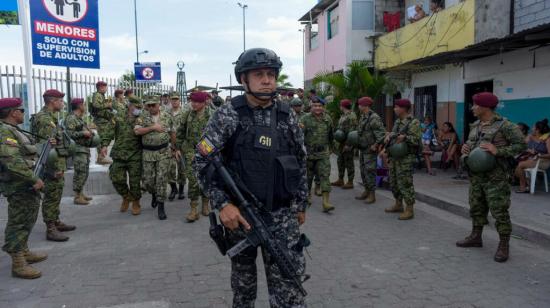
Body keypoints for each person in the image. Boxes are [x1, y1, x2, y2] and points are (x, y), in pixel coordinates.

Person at [193, 48, 308, 307]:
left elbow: (300, 162)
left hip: (282, 217)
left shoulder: (287, 114)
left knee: (290, 292)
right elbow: (201, 160)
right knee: (243, 292)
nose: (267, 80)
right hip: (242, 218)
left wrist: (300, 204)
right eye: (259, 74)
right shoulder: (228, 114)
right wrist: (223, 204)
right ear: (244, 80)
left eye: (271, 74)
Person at [456, 92, 525, 263]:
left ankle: (503, 245)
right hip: (476, 176)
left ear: (485, 107)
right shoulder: (476, 125)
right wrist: (466, 148)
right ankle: (476, 236)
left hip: (496, 178)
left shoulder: (505, 126)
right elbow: (473, 144)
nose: (472, 108)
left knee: (499, 211)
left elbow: (521, 145)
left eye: (475, 105)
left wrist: (498, 151)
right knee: (476, 207)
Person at [0, 98, 48, 279]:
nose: (23, 112)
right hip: (18, 184)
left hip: (24, 184)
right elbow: (11, 161)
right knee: (18, 221)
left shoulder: (13, 130)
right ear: (13, 112)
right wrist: (33, 178)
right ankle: (18, 262)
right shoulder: (4, 131)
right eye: (21, 109)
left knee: (28, 218)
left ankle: (24, 250)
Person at [31, 89, 76, 241]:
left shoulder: (51, 118)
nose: (63, 104)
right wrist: (54, 169)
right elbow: (46, 148)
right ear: (53, 102)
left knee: (56, 194)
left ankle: (55, 221)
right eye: (61, 101)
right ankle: (50, 228)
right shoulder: (44, 119)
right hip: (51, 165)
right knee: (51, 196)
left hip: (57, 163)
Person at [134, 97, 174, 220]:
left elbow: (173, 132)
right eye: (149, 105)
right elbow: (137, 131)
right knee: (148, 181)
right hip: (148, 153)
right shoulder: (142, 117)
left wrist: (174, 148)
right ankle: (153, 194)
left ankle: (161, 206)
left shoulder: (167, 116)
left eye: (153, 105)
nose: (151, 107)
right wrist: (153, 127)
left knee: (161, 179)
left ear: (159, 104)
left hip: (163, 152)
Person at [176, 91, 211, 222]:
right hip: (190, 149)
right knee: (193, 179)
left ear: (203, 102)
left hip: (207, 151)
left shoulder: (211, 115)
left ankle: (206, 203)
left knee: (206, 179)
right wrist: (177, 148)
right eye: (192, 101)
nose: (194, 104)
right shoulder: (188, 114)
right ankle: (194, 208)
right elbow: (180, 131)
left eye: (196, 102)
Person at [384, 98, 421, 220]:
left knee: (405, 183)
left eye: (396, 107)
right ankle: (398, 204)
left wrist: (405, 137)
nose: (394, 109)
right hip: (395, 156)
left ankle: (409, 209)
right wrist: (389, 136)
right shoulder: (398, 122)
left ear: (403, 108)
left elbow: (416, 140)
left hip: (405, 157)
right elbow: (395, 136)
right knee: (394, 182)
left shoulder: (413, 122)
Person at [300, 96, 335, 213]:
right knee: (308, 177)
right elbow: (299, 136)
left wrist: (332, 148)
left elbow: (331, 135)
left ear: (323, 107)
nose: (317, 108)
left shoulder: (328, 119)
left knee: (325, 176)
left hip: (323, 153)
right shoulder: (305, 119)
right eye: (315, 106)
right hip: (309, 153)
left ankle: (325, 202)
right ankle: (308, 195)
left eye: (320, 106)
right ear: (311, 106)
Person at [110, 97, 143, 215]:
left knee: (135, 181)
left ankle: (136, 202)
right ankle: (126, 196)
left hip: (135, 154)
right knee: (116, 178)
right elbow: (110, 131)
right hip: (119, 153)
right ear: (130, 106)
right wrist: (103, 145)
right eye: (137, 107)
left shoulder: (142, 119)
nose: (139, 110)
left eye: (140, 108)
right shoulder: (119, 117)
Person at [355, 97, 386, 204]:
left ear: (365, 106)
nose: (358, 106)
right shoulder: (363, 116)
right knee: (363, 171)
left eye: (360, 104)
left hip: (370, 149)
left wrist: (376, 144)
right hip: (363, 148)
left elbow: (381, 134)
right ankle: (366, 190)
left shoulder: (374, 118)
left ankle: (372, 194)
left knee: (370, 172)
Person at [64, 98, 94, 205]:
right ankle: (77, 197)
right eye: (84, 104)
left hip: (84, 149)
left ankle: (81, 193)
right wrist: (83, 133)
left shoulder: (79, 119)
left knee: (84, 172)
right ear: (79, 106)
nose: (85, 106)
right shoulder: (71, 118)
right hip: (78, 149)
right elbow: (69, 134)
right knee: (80, 172)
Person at [515, 119, 550, 193]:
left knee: (520, 165)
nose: (532, 128)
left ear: (538, 130)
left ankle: (524, 186)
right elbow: (522, 145)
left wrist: (538, 154)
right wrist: (528, 149)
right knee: (517, 169)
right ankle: (527, 184)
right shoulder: (531, 136)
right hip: (532, 158)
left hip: (543, 161)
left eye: (534, 127)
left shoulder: (547, 139)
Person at [332, 99, 357, 189]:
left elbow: (352, 131)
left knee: (349, 162)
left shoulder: (351, 116)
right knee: (340, 161)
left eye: (340, 105)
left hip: (348, 142)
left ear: (343, 106)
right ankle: (340, 179)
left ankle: (350, 181)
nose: (340, 107)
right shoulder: (343, 115)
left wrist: (348, 144)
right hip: (341, 142)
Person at [167, 92, 186, 201]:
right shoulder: (165, 113)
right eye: (172, 99)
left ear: (179, 100)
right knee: (170, 168)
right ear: (170, 100)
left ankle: (181, 189)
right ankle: (173, 188)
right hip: (169, 145)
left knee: (182, 169)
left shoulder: (185, 113)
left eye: (176, 99)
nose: (174, 101)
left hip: (182, 145)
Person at [90, 81, 114, 165]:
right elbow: (96, 105)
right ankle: (101, 158)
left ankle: (102, 157)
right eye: (105, 87)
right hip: (100, 121)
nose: (106, 89)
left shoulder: (101, 96)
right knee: (102, 138)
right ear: (101, 87)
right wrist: (107, 105)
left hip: (104, 120)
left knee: (104, 138)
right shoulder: (97, 95)